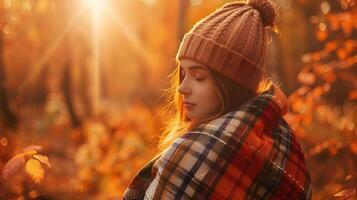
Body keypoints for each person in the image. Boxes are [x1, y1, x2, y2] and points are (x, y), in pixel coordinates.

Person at [123, 0, 312, 199]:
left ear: (231, 84)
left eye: (199, 77)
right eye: (183, 74)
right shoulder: (287, 147)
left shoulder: (192, 157)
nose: (182, 87)